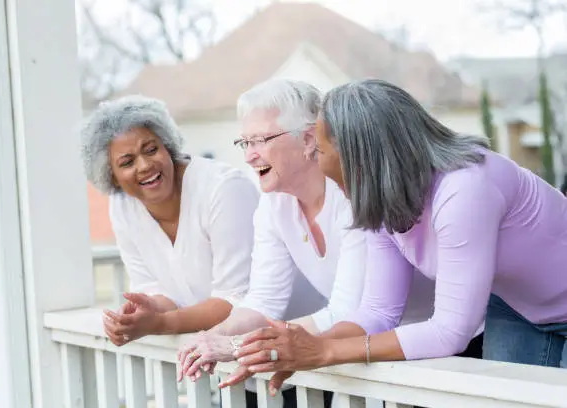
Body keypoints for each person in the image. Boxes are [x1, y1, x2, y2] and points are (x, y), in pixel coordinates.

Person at [224, 79, 567, 394]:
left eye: (338, 178)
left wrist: (325, 350)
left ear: (365, 160)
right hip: (518, 309)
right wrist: (302, 351)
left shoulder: (465, 189)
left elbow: (449, 331)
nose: (339, 192)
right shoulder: (381, 204)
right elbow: (378, 311)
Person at [177, 79, 439, 407]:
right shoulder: (274, 206)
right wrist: (216, 335)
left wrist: (239, 346)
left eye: (260, 140)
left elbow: (347, 310)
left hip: (434, 350)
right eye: (243, 142)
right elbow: (262, 300)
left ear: (308, 139)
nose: (249, 155)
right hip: (370, 357)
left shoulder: (351, 194)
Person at [79, 95, 259, 345]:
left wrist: (161, 323)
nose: (144, 165)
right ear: (112, 176)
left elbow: (238, 300)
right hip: (216, 362)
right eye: (127, 162)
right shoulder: (123, 205)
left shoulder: (224, 189)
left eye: (151, 149)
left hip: (292, 364)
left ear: (168, 146)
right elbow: (154, 289)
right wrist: (143, 311)